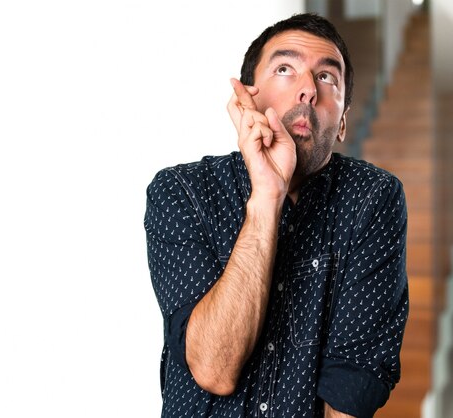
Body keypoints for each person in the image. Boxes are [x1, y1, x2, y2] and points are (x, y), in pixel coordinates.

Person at [144, 13, 408, 418]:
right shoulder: (181, 192)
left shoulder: (372, 199)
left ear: (342, 122)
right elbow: (214, 369)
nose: (307, 90)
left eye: (327, 78)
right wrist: (267, 195)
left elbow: (354, 383)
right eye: (285, 69)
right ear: (248, 98)